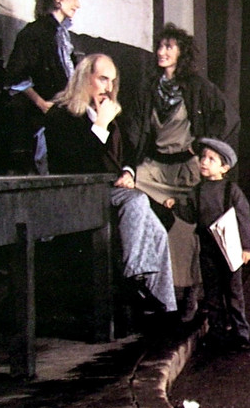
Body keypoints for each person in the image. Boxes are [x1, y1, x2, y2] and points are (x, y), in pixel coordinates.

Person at [44, 53, 176, 316]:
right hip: (79, 193)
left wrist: (128, 171)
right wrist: (100, 124)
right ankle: (133, 279)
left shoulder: (109, 112)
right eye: (103, 79)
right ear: (85, 78)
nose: (109, 87)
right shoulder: (61, 115)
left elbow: (128, 153)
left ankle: (165, 310)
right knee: (137, 200)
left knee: (159, 232)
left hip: (112, 190)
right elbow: (77, 163)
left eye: (113, 81)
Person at [128, 24, 228, 318]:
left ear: (181, 52)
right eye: (160, 46)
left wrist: (204, 149)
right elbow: (135, 128)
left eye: (169, 47)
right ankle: (149, 286)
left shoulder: (198, 87)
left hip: (186, 168)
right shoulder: (149, 87)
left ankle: (189, 292)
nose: (162, 52)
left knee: (186, 228)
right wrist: (129, 166)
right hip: (156, 168)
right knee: (129, 191)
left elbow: (224, 117)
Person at [165, 138, 250, 350]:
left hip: (230, 248)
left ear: (224, 168)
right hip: (208, 248)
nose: (204, 162)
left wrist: (247, 247)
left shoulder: (230, 190)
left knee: (233, 292)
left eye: (212, 159)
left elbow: (243, 217)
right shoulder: (197, 191)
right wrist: (175, 207)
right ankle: (217, 332)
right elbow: (191, 216)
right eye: (203, 157)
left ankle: (241, 333)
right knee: (212, 293)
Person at [4, 0, 84, 174]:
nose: (78, 4)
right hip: (43, 121)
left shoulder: (63, 36)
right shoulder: (35, 32)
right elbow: (16, 76)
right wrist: (41, 103)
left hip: (65, 118)